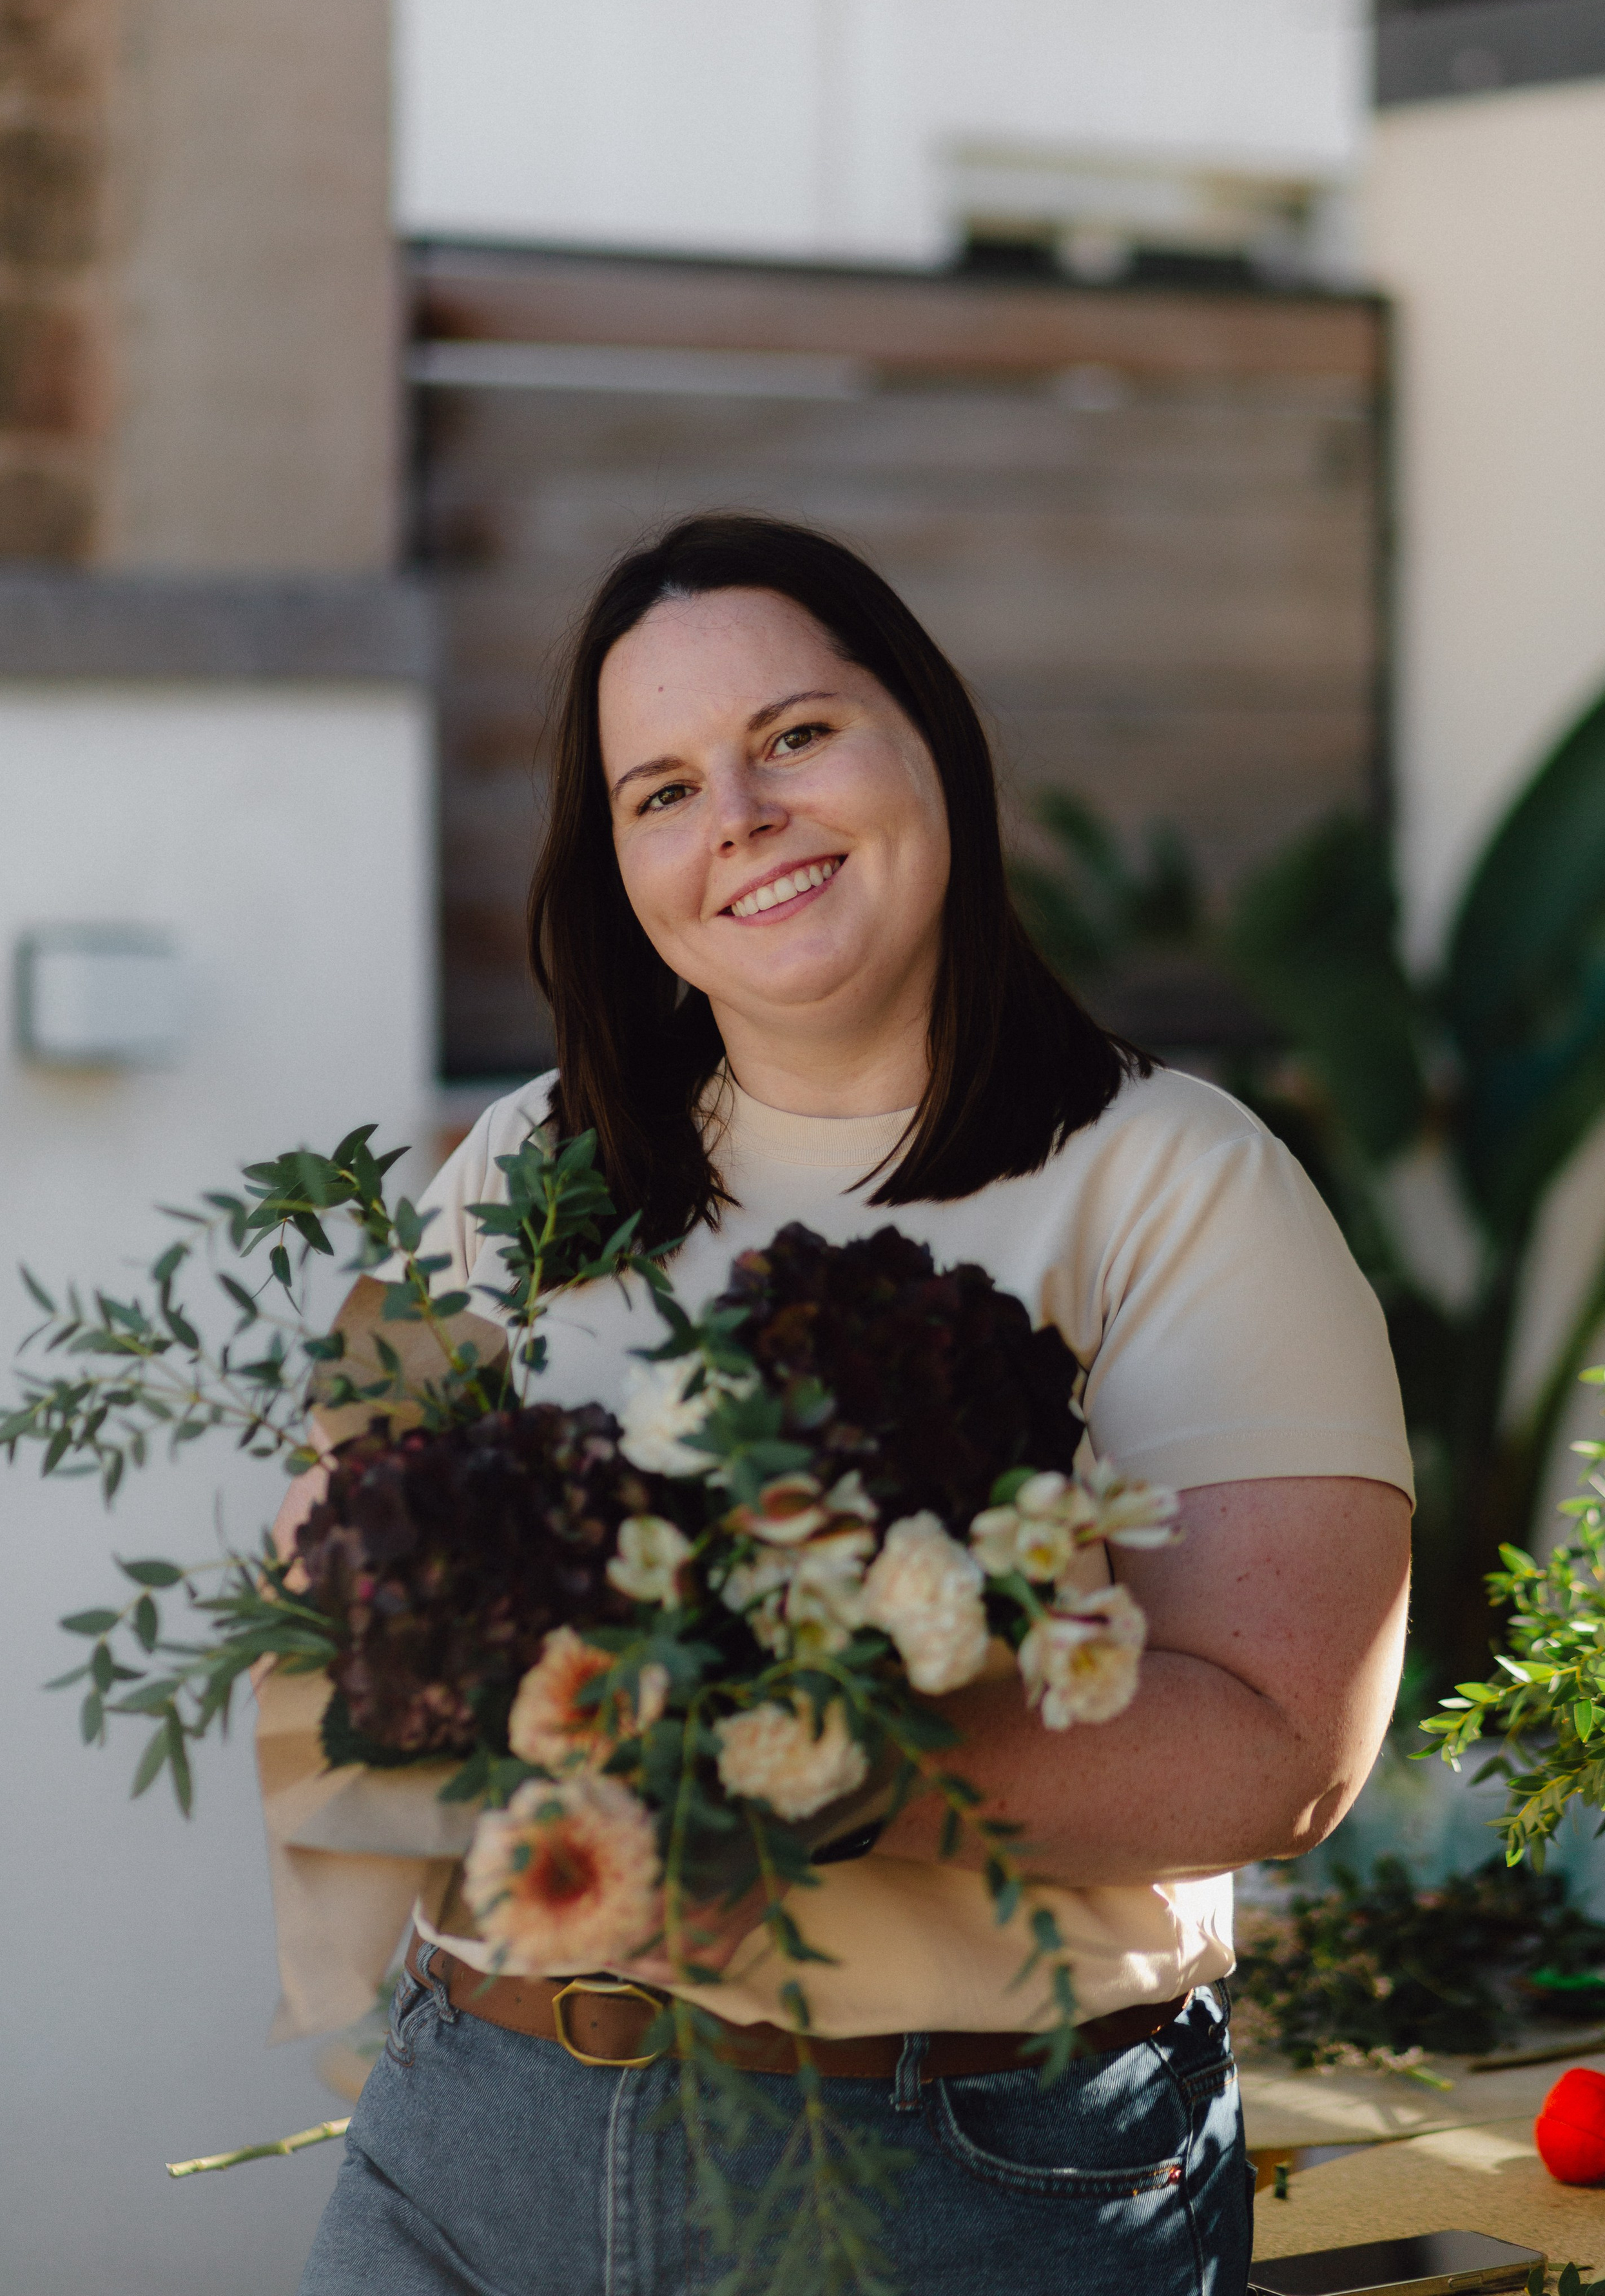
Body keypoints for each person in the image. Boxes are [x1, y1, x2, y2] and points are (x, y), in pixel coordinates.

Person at [287, 514, 1412, 2296]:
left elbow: (1289, 1746)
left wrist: (814, 1759)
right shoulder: (525, 1161)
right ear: (625, 869)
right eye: (662, 788)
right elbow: (337, 1535)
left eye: (795, 736)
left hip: (945, 2179)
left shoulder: (1179, 1183)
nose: (735, 813)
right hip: (471, 2121)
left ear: (931, 746)